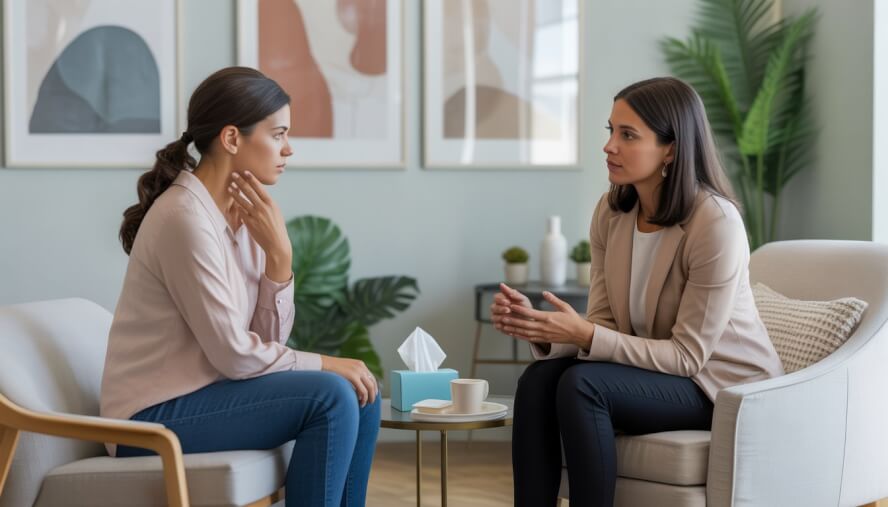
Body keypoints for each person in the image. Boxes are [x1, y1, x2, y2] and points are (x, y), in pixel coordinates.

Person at [491, 77, 784, 507]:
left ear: (671, 148)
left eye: (628, 135)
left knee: (582, 385)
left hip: (719, 384)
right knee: (539, 379)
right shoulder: (612, 213)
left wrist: (584, 335)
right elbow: (606, 323)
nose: (610, 146)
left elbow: (686, 356)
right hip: (657, 372)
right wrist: (545, 329)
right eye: (611, 131)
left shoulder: (715, 224)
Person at [101, 66, 379, 507]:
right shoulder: (185, 218)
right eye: (278, 134)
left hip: (207, 397)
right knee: (330, 394)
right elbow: (234, 354)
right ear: (232, 139)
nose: (288, 149)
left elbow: (264, 347)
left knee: (362, 393)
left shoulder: (245, 217)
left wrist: (278, 260)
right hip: (149, 421)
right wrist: (324, 363)